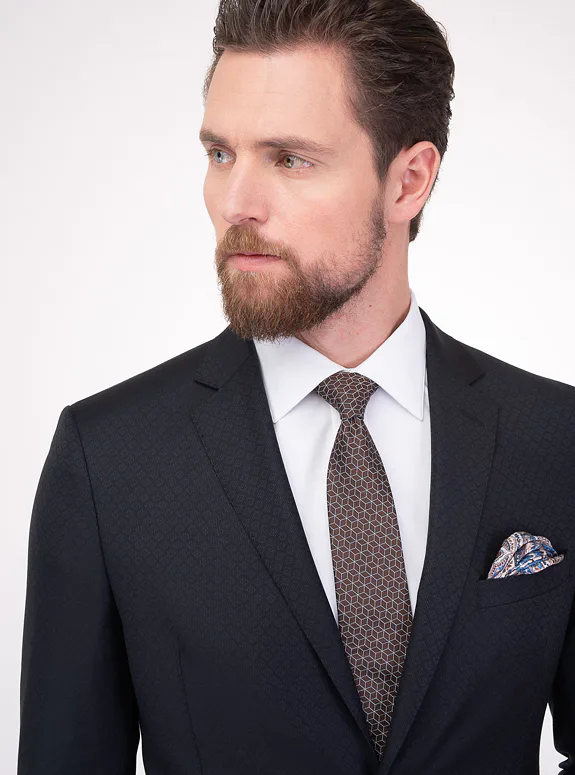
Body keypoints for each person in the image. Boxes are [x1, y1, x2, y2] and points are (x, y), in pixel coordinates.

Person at [17, 0, 575, 773]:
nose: (235, 203)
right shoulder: (110, 461)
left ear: (408, 181)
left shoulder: (554, 438)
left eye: (288, 159)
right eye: (220, 153)